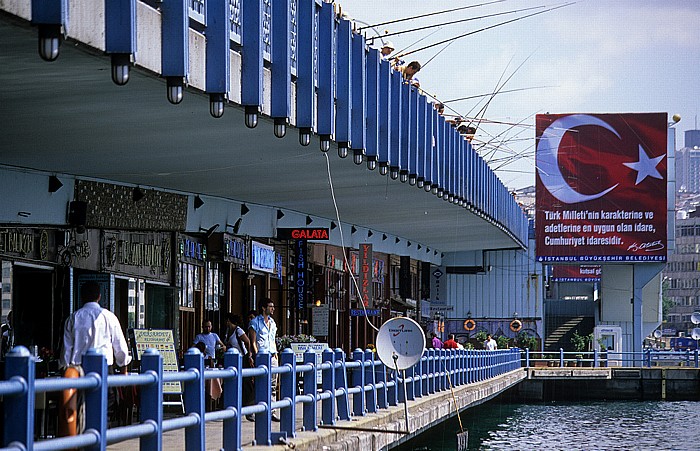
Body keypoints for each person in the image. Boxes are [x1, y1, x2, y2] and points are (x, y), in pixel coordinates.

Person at [61, 281, 132, 427]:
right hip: (105, 369)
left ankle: (84, 435)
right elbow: (120, 347)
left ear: (81, 297)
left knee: (80, 404)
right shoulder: (109, 317)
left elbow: (66, 351)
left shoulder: (73, 318)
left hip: (78, 370)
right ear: (99, 297)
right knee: (104, 403)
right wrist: (124, 369)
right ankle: (99, 434)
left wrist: (65, 370)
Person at [248, 298, 279, 421]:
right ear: (263, 308)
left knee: (273, 385)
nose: (272, 308)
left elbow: (273, 339)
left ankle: (272, 411)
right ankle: (251, 409)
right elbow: (253, 341)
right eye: (270, 306)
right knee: (260, 383)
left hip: (272, 355)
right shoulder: (255, 322)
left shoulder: (273, 323)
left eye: (273, 306)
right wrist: (256, 355)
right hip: (262, 355)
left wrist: (276, 353)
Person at [225, 314, 255, 407]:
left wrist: (249, 355)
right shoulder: (227, 331)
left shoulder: (238, 330)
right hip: (233, 359)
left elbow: (248, 342)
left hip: (242, 357)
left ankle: (248, 402)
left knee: (245, 380)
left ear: (229, 320)